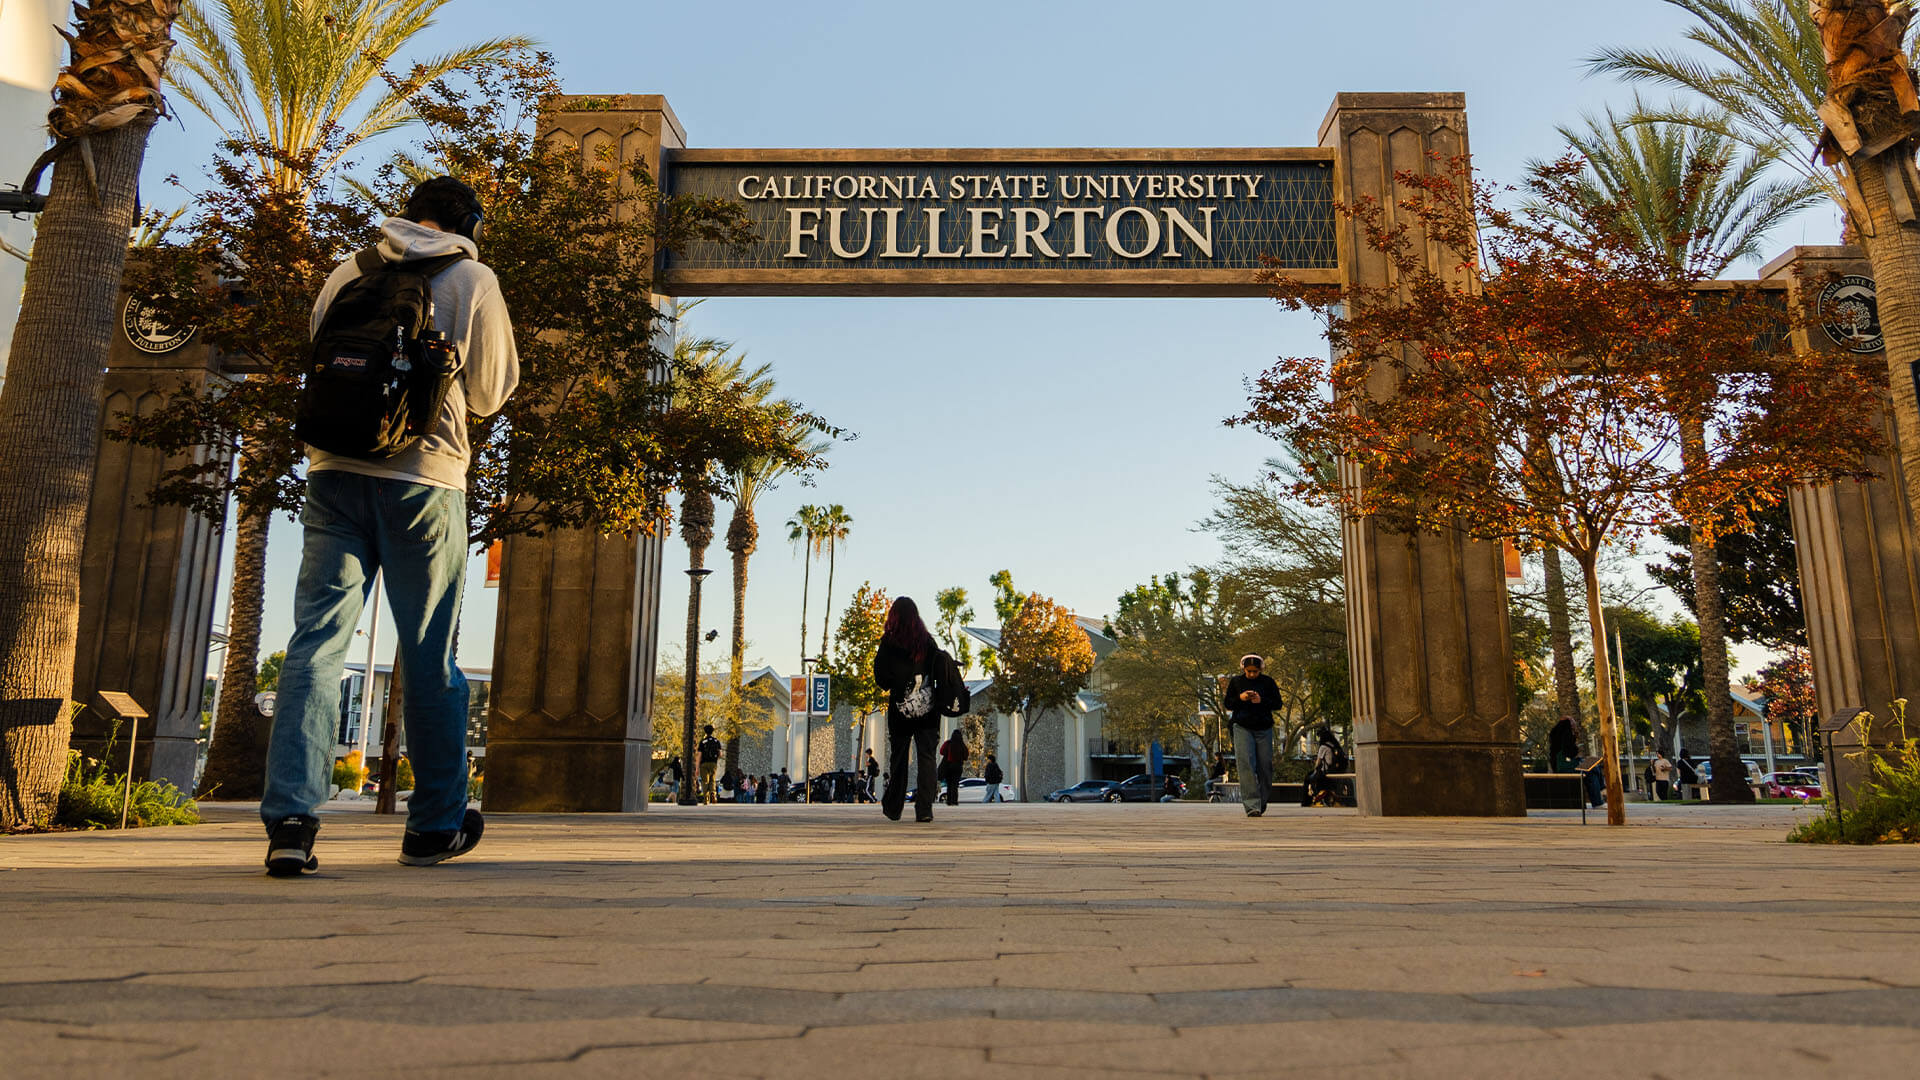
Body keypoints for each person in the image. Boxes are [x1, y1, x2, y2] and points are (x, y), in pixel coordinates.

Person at [260, 176, 518, 877]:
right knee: (429, 651)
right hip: (423, 481)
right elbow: (492, 392)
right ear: (469, 222)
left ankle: (290, 821)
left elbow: (321, 357)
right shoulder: (472, 277)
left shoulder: (351, 268)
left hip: (332, 472)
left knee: (315, 646)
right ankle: (433, 825)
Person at [874, 597, 959, 823]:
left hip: (900, 712)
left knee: (899, 758)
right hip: (929, 712)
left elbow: (880, 678)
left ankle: (894, 807)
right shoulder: (928, 642)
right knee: (927, 758)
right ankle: (924, 809)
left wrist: (897, 682)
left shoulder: (889, 643)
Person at [1222, 654, 1281, 817]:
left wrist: (1261, 700)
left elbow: (1278, 704)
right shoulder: (1236, 682)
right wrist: (1241, 698)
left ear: (1260, 669)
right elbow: (1228, 703)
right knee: (1246, 764)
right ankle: (1251, 805)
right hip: (1242, 727)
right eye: (1249, 671)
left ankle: (1261, 801)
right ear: (1243, 669)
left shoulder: (1268, 682)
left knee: (1265, 765)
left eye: (1255, 671)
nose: (1252, 675)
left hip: (1264, 727)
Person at [1303, 725, 1342, 807]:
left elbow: (1318, 762)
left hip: (1325, 771)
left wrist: (1315, 769)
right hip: (1335, 769)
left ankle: (1309, 800)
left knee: (1308, 777)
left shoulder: (1323, 747)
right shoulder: (1333, 745)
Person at [938, 731, 969, 806]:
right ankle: (954, 801)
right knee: (955, 784)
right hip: (958, 766)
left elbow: (941, 751)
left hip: (948, 765)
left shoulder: (948, 743)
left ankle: (949, 801)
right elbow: (966, 756)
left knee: (949, 784)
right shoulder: (962, 745)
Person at [696, 725, 722, 804]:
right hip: (713, 763)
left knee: (705, 781)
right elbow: (720, 754)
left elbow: (699, 755)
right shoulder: (716, 741)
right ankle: (713, 794)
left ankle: (706, 798)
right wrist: (715, 759)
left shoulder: (702, 742)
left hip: (704, 764)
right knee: (712, 780)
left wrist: (697, 767)